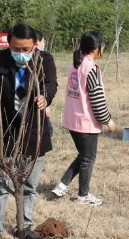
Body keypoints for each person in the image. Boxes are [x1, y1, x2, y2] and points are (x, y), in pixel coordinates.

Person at [0, 23, 57, 239]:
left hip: (35, 130)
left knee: (30, 185)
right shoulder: (0, 60)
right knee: (2, 184)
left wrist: (45, 97)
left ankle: (26, 227)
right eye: (16, 49)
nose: (21, 54)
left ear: (35, 45)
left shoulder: (44, 60)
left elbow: (51, 84)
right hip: (8, 131)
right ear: (8, 44)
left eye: (26, 49)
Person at [51, 31, 115, 205]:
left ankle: (62, 185)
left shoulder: (75, 64)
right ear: (96, 49)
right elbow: (97, 99)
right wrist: (108, 120)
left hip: (72, 119)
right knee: (88, 158)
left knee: (83, 155)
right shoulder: (90, 68)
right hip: (85, 122)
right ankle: (83, 196)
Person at [35, 29, 54, 136]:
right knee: (47, 131)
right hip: (38, 103)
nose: (44, 43)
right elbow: (43, 82)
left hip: (42, 99)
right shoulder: (43, 57)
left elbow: (49, 84)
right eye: (43, 41)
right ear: (37, 41)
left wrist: (46, 100)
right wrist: (46, 106)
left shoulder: (45, 58)